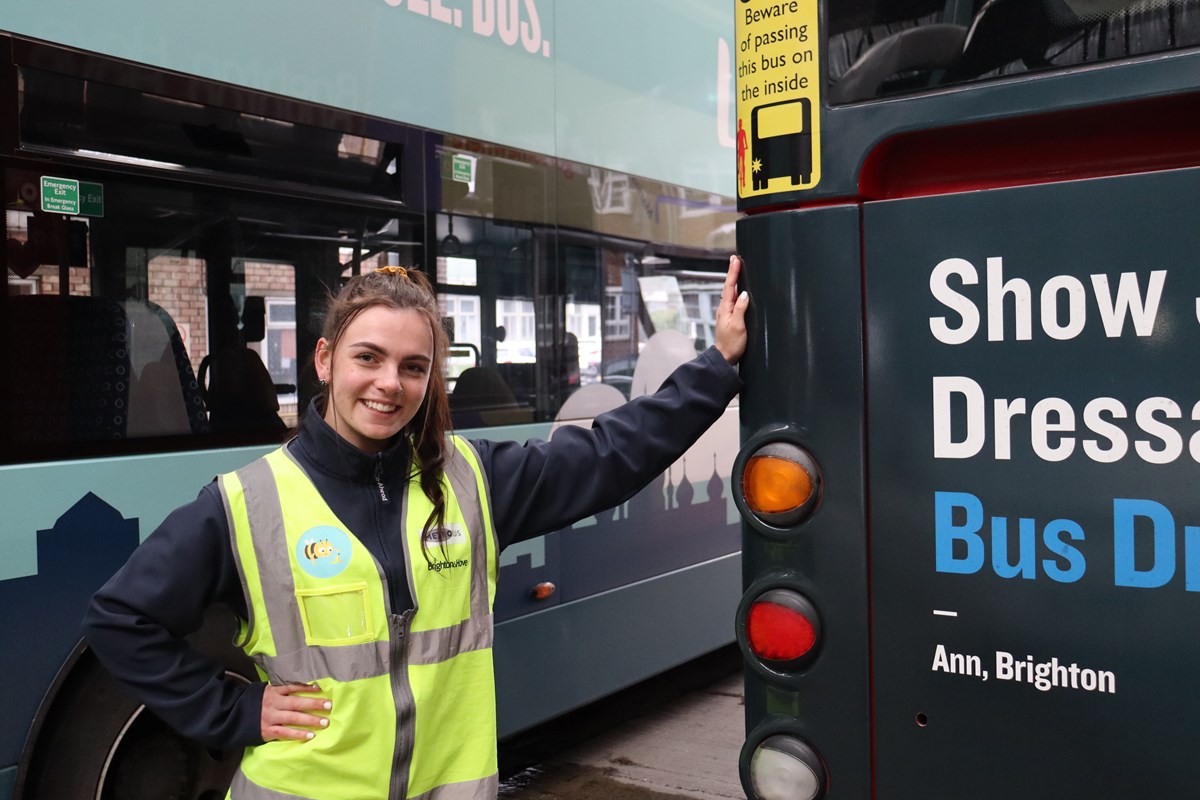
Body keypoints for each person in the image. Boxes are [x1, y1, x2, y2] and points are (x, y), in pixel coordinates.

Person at [83, 255, 751, 800]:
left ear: (432, 380)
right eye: (367, 358)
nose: (388, 384)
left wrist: (717, 367)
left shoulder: (475, 482)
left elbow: (613, 453)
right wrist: (233, 714)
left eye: (413, 367)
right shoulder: (245, 503)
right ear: (324, 361)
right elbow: (120, 619)